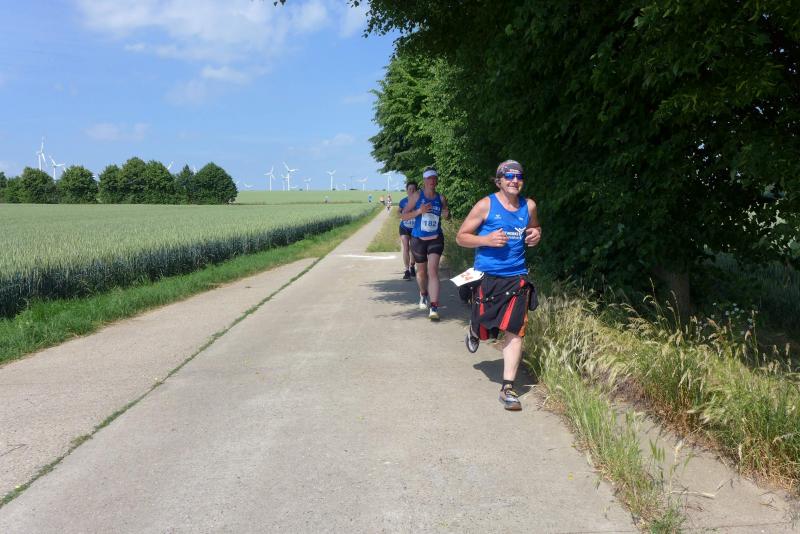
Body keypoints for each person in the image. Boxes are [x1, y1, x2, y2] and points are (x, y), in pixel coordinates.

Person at [455, 160, 542, 410]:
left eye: (519, 176)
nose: (514, 180)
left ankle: (508, 388)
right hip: (487, 277)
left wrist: (536, 233)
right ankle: (474, 329)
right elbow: (461, 237)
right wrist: (486, 239)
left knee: (515, 330)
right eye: (509, 176)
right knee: (485, 328)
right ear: (499, 181)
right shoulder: (486, 205)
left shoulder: (529, 206)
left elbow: (535, 228)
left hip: (517, 277)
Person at [401, 166, 449, 320]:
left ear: (437, 180)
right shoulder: (416, 196)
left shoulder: (441, 198)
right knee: (421, 272)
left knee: (433, 270)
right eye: (429, 178)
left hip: (436, 238)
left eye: (434, 178)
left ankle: (434, 307)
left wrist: (447, 214)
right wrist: (418, 212)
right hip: (418, 239)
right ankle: (423, 294)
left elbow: (446, 214)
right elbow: (403, 216)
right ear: (424, 180)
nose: (432, 181)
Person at [397, 182, 418, 280]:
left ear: (416, 190)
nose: (412, 191)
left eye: (414, 189)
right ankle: (407, 270)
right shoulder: (403, 201)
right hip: (404, 227)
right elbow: (398, 211)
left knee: (413, 248)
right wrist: (401, 215)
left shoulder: (419, 201)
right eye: (410, 189)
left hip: (415, 228)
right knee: (406, 247)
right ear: (407, 190)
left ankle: (412, 265)